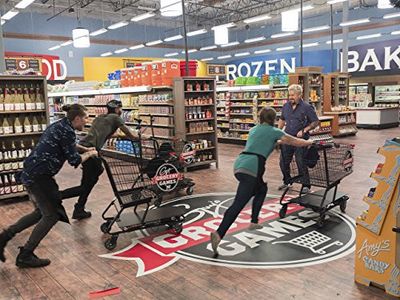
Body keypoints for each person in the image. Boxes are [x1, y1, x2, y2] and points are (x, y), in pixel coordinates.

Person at [0, 104, 98, 268]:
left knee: (40, 213)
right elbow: (74, 160)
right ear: (77, 118)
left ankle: (3, 238)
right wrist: (90, 153)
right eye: (85, 117)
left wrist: (83, 148)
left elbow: (68, 145)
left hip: (32, 173)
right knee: (51, 215)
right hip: (40, 178)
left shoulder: (60, 125)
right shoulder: (67, 130)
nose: (86, 120)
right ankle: (25, 255)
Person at [210, 107, 314, 256]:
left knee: (261, 189)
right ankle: (219, 234)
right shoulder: (275, 131)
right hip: (253, 167)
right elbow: (295, 141)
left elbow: (264, 140)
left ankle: (254, 222)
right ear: (273, 119)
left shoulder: (254, 130)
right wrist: (309, 142)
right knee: (238, 204)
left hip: (240, 163)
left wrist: (277, 141)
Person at [61, 99, 138, 220]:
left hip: (84, 146)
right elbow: (132, 135)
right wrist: (142, 137)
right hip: (91, 151)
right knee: (88, 182)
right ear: (118, 109)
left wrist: (119, 135)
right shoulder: (116, 118)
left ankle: (79, 208)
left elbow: (105, 133)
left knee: (89, 179)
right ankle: (56, 197)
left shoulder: (100, 118)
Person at [278, 84, 319, 193]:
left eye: (293, 95)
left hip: (301, 140)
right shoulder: (286, 106)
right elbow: (282, 120)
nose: (290, 97)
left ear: (300, 95)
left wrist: (305, 130)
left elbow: (315, 122)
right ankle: (287, 182)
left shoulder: (307, 107)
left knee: (301, 161)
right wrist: (277, 132)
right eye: (289, 95)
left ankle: (306, 185)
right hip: (287, 138)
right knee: (283, 162)